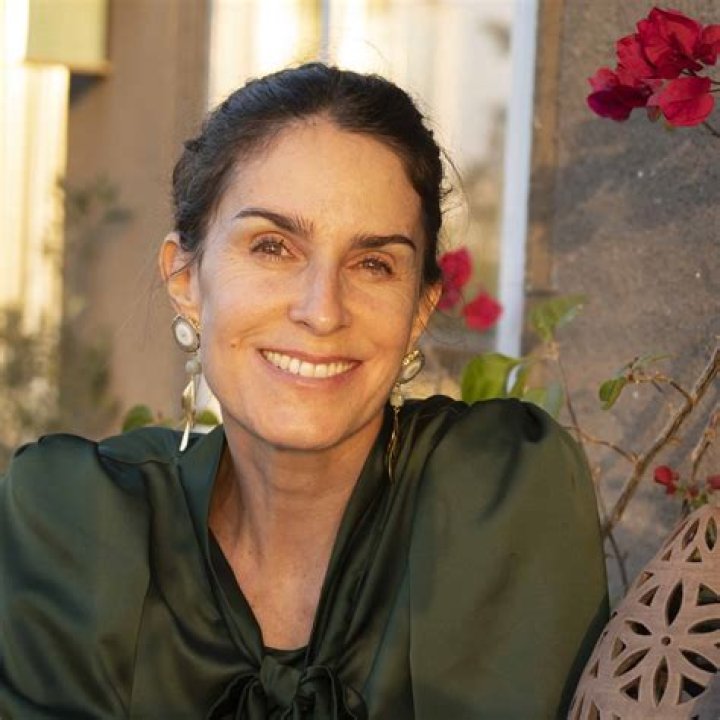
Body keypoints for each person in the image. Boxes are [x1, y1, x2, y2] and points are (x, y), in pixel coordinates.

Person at [0, 63, 608, 719]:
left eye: (373, 263)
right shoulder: (74, 521)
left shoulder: (495, 490)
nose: (322, 310)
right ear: (186, 280)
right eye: (272, 247)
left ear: (419, 309)